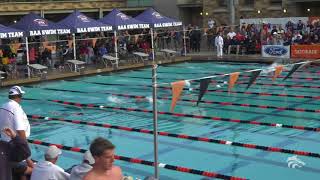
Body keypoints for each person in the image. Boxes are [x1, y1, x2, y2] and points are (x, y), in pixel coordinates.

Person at [0, 86, 33, 179]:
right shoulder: (16, 108)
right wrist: (28, 156)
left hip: (4, 144)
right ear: (19, 96)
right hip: (15, 145)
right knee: (24, 169)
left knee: (17, 169)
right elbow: (20, 130)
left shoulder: (3, 106)